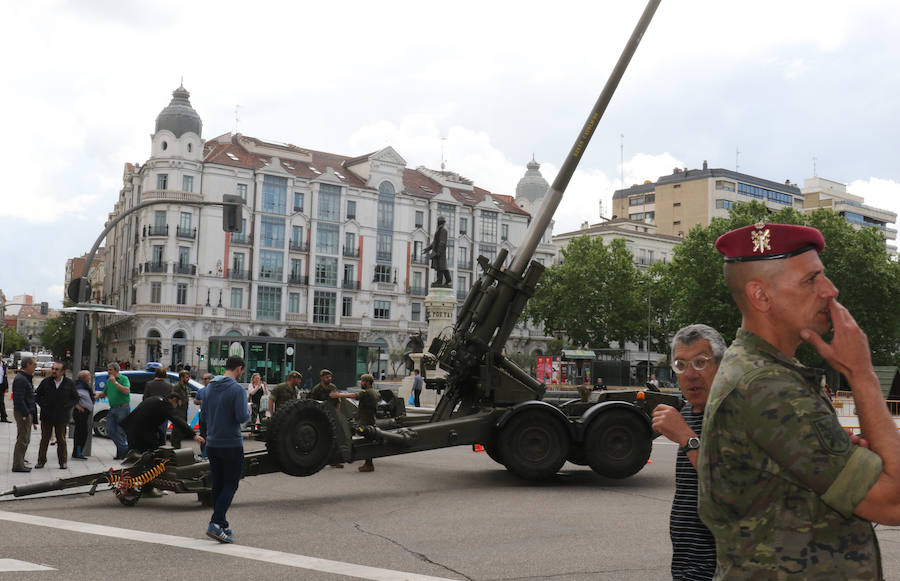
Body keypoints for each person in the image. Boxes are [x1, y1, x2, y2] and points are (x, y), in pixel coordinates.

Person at [698, 222, 898, 578]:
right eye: (811, 280)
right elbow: (894, 502)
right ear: (761, 296)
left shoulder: (768, 371)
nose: (831, 290)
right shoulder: (768, 386)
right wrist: (862, 373)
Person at [651, 324, 724, 581]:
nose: (690, 374)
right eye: (681, 365)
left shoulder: (731, 415)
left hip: (719, 567)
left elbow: (727, 486)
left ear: (720, 365)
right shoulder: (687, 414)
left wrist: (686, 437)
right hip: (686, 563)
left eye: (700, 362)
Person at [200, 355, 250, 544]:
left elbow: (203, 416)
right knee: (231, 484)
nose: (241, 375)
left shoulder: (209, 387)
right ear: (239, 369)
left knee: (218, 484)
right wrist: (248, 410)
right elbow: (241, 416)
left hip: (212, 443)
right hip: (231, 443)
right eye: (242, 371)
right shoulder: (237, 389)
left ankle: (223, 523)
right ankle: (215, 523)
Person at [120, 392, 203, 453]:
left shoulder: (157, 398)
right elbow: (176, 419)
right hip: (140, 432)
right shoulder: (165, 404)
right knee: (147, 454)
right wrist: (193, 435)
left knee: (137, 454)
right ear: (174, 400)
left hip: (133, 429)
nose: (176, 408)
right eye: (177, 405)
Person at [330, 373, 378, 472]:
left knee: (366, 441)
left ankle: (368, 464)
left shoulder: (367, 392)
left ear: (367, 382)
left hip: (366, 421)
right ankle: (368, 463)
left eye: (363, 381)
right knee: (367, 441)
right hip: (369, 419)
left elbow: (353, 395)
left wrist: (338, 395)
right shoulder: (374, 392)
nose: (361, 383)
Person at [34, 361, 78, 469]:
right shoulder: (46, 382)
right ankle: (41, 461)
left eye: (56, 369)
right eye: (53, 369)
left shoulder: (69, 383)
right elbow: (37, 395)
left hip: (61, 416)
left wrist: (68, 406)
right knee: (45, 439)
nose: (54, 371)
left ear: (63, 372)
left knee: (61, 440)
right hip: (47, 416)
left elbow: (75, 397)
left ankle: (63, 462)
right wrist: (43, 405)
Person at [310, 369, 345, 468]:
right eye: (326, 377)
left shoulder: (333, 387)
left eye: (330, 377)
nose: (329, 379)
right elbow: (312, 403)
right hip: (320, 417)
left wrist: (337, 414)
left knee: (334, 439)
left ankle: (334, 460)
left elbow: (338, 401)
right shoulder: (316, 389)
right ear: (322, 378)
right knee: (320, 439)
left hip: (331, 416)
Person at [11, 356, 38, 472]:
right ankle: (18, 465)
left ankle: (20, 461)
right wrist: (26, 414)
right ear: (27, 365)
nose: (36, 367)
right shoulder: (21, 379)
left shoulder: (25, 378)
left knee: (24, 438)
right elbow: (19, 399)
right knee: (23, 439)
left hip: (26, 412)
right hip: (23, 413)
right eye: (34, 365)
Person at [102, 361, 131, 460]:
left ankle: (121, 454)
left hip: (123, 408)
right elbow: (104, 393)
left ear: (116, 370)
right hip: (113, 408)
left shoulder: (123, 379)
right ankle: (125, 450)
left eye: (110, 370)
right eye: (108, 370)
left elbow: (126, 391)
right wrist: (97, 396)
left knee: (120, 432)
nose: (108, 372)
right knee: (110, 430)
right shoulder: (109, 381)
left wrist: (115, 382)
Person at [143, 366, 172, 446]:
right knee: (162, 433)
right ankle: (161, 450)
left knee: (151, 434)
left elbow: (145, 399)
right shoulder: (169, 386)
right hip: (163, 414)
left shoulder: (149, 384)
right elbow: (169, 401)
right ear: (165, 375)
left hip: (151, 414)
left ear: (156, 374)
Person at [72, 370, 95, 460]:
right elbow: (72, 397)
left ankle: (78, 452)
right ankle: (78, 453)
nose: (90, 378)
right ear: (85, 378)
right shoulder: (79, 387)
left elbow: (87, 397)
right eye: (89, 376)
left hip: (83, 413)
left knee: (82, 433)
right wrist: (77, 406)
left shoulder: (83, 386)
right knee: (81, 434)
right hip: (80, 413)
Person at [423, 215, 451, 287]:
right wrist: (427, 249)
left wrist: (438, 252)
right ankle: (446, 280)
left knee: (441, 267)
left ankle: (442, 280)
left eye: (439, 222)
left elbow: (442, 242)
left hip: (440, 252)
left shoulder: (443, 230)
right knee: (440, 266)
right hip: (436, 251)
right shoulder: (438, 230)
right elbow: (434, 242)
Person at [170, 370, 192, 449]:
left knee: (180, 433)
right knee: (176, 433)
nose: (188, 379)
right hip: (177, 414)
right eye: (186, 377)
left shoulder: (185, 387)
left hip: (183, 413)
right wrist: (177, 400)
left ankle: (177, 448)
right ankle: (174, 449)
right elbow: (172, 397)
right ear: (181, 378)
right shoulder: (177, 387)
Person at [195, 372, 213, 458]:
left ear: (210, 380)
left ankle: (209, 453)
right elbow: (195, 401)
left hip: (212, 416)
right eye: (203, 379)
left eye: (206, 379)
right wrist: (201, 401)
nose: (204, 381)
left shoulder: (215, 390)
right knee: (202, 435)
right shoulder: (201, 390)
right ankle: (203, 453)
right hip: (202, 416)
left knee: (210, 435)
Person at [0, 358, 10, 423]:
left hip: (1, 386)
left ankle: (4, 418)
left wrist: (6, 387)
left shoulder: (3, 365)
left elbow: (5, 376)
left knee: (1, 402)